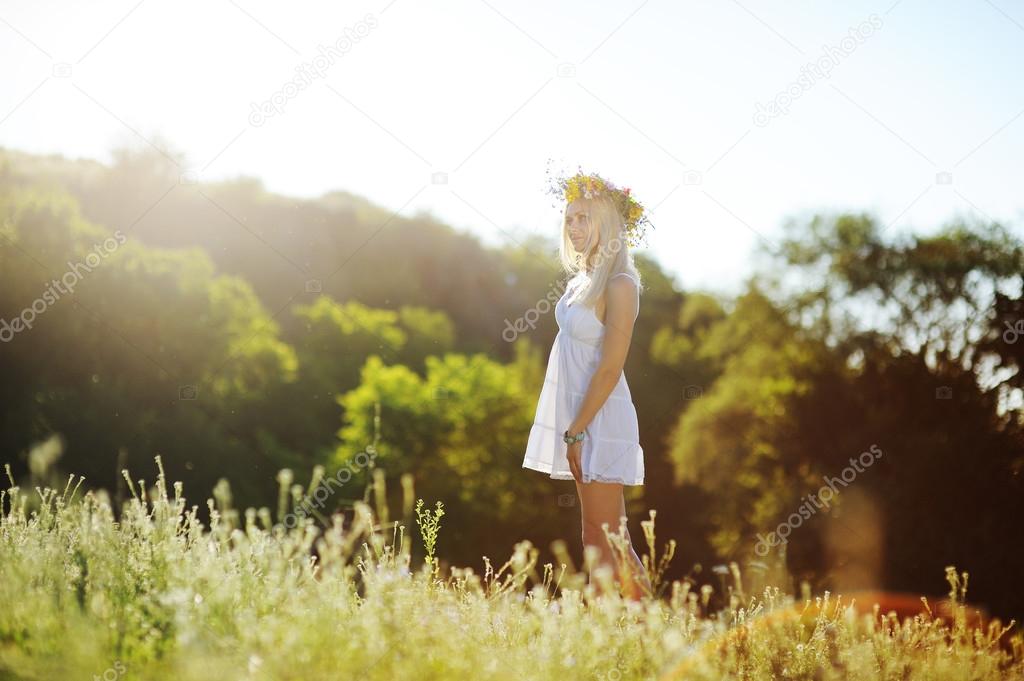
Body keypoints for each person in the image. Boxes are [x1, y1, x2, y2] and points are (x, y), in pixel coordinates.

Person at [522, 169, 653, 599]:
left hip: (599, 417)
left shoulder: (620, 285)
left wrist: (577, 429)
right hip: (581, 415)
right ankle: (640, 635)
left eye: (583, 218)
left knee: (604, 540)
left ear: (607, 225)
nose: (573, 228)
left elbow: (610, 369)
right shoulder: (583, 281)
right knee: (603, 537)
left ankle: (647, 633)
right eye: (569, 219)